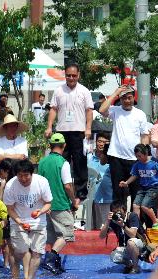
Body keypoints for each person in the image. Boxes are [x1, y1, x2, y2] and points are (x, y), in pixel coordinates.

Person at [45, 63, 94, 199]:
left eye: (74, 75)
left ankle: (81, 192)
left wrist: (88, 128)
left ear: (78, 75)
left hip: (79, 131)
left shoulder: (84, 91)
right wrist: (49, 127)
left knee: (80, 162)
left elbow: (89, 110)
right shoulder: (58, 90)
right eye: (68, 75)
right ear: (65, 76)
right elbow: (53, 109)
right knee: (61, 162)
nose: (71, 78)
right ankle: (62, 191)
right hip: (62, 132)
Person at [2, 160, 53, 279]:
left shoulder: (42, 182)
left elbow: (48, 202)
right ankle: (17, 273)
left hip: (38, 222)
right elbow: (10, 208)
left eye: (26, 175)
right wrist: (19, 222)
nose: (23, 179)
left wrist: (40, 211)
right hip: (18, 221)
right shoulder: (10, 185)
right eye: (20, 176)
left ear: (32, 173)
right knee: (21, 249)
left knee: (37, 253)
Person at [99, 85, 150, 207]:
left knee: (136, 192)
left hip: (134, 160)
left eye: (129, 97)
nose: (127, 101)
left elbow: (144, 136)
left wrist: (143, 156)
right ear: (120, 99)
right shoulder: (115, 110)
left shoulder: (140, 114)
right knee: (118, 193)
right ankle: (117, 223)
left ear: (134, 98)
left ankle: (134, 223)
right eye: (124, 98)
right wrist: (116, 92)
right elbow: (101, 110)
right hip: (116, 157)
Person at [38, 133, 76, 274]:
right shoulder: (63, 163)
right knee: (65, 235)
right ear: (64, 145)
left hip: (45, 205)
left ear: (50, 145)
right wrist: (73, 200)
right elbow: (67, 186)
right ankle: (50, 259)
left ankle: (54, 262)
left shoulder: (42, 162)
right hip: (60, 203)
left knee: (53, 237)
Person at [121, 144, 158, 228]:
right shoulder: (137, 164)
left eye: (140, 156)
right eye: (137, 156)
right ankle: (137, 225)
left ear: (145, 153)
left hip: (154, 187)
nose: (138, 158)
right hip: (142, 187)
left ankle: (156, 221)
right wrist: (126, 183)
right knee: (135, 205)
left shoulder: (154, 162)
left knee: (145, 206)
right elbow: (134, 175)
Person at [100, 201, 145, 274]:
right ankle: (130, 265)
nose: (118, 215)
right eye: (115, 212)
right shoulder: (114, 220)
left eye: (119, 212)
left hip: (140, 246)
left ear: (125, 211)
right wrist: (107, 221)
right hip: (126, 247)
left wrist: (123, 225)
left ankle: (135, 267)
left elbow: (133, 235)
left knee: (131, 242)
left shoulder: (132, 216)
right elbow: (101, 236)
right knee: (114, 256)